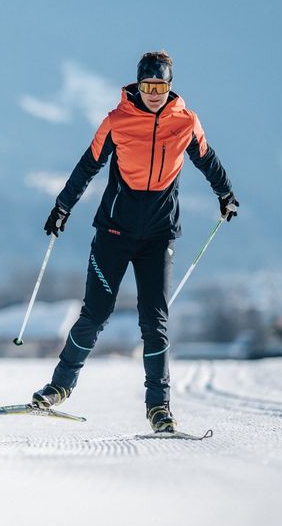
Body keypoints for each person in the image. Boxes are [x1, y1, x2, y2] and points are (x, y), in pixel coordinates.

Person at [31, 51, 237, 433]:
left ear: (170, 87)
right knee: (95, 314)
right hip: (113, 233)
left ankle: (159, 407)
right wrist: (62, 207)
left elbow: (208, 160)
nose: (154, 93)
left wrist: (225, 195)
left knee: (154, 322)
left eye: (160, 87)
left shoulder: (186, 123)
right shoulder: (117, 121)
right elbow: (88, 165)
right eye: (147, 86)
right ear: (137, 86)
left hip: (158, 238)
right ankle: (59, 387)